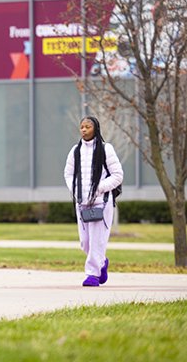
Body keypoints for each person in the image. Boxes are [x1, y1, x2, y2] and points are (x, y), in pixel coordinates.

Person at [63, 116, 124, 287]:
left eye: (87, 126)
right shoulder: (75, 150)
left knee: (97, 240)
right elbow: (68, 173)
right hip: (81, 203)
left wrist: (99, 188)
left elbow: (118, 175)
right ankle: (102, 262)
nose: (83, 129)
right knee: (85, 242)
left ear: (95, 128)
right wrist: (75, 189)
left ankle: (92, 275)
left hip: (101, 202)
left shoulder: (106, 149)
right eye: (81, 127)